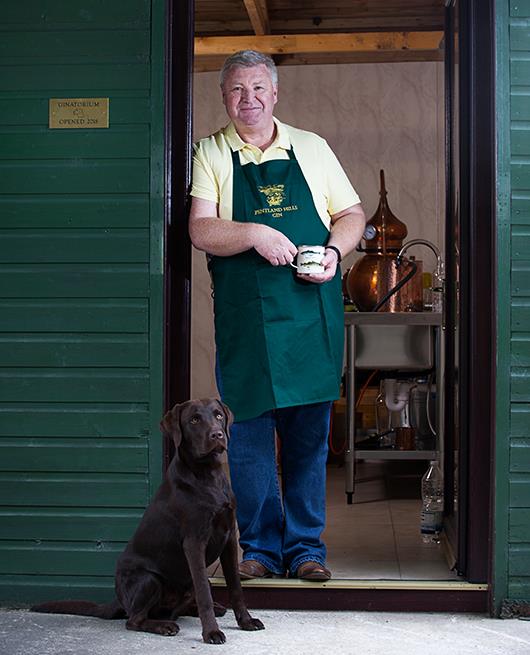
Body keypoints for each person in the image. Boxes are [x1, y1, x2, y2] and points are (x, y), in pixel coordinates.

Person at [189, 50, 366, 581]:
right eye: (237, 90)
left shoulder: (312, 148)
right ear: (224, 97)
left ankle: (307, 549)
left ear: (275, 93)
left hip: (309, 316)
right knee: (246, 443)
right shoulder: (211, 152)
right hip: (248, 323)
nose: (249, 99)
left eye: (258, 88)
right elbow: (201, 229)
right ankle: (262, 550)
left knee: (310, 438)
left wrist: (334, 253)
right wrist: (255, 233)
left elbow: (351, 214)